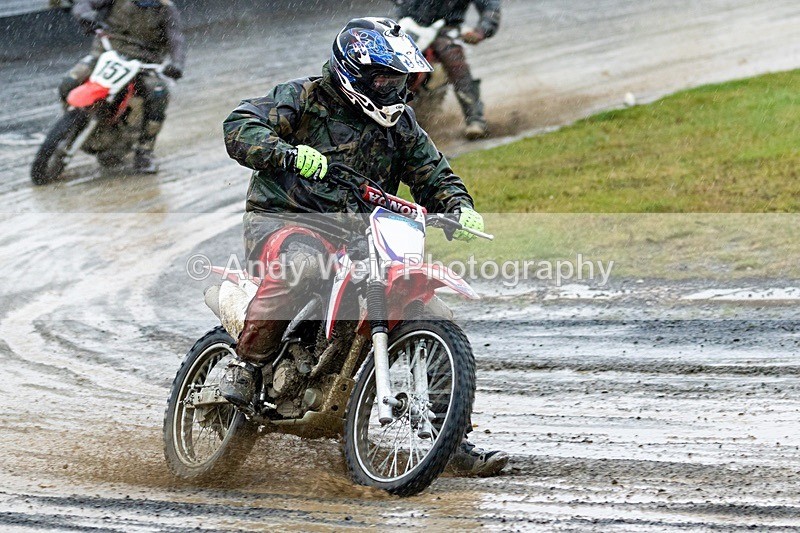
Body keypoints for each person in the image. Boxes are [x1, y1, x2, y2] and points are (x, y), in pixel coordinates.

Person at [220, 17, 508, 477]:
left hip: (362, 234)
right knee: (306, 265)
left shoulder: (401, 123)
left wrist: (457, 206)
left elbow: (432, 173)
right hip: (286, 221)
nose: (394, 89)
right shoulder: (303, 99)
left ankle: (448, 438)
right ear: (353, 72)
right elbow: (240, 125)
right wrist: (288, 154)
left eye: (400, 79)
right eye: (384, 79)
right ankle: (246, 368)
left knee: (431, 315)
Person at [59, 0, 186, 173]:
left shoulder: (166, 9)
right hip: (106, 52)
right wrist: (85, 14)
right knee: (69, 83)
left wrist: (177, 64)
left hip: (143, 63)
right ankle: (69, 125)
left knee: (158, 94)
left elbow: (176, 39)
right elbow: (86, 2)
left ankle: (145, 151)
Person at [393, 0, 501, 140]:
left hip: (446, 28)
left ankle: (475, 120)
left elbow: (490, 7)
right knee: (382, 61)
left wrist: (481, 30)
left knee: (454, 60)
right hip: (406, 26)